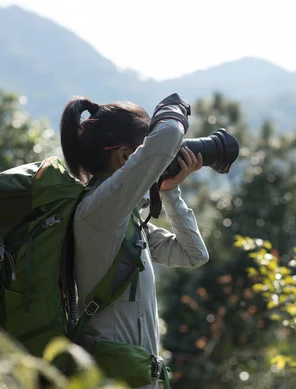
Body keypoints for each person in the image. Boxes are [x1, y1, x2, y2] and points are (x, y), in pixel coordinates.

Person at [59, 94, 209, 388]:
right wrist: (174, 107)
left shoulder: (121, 220)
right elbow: (167, 135)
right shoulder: (98, 211)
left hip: (135, 377)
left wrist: (167, 190)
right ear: (127, 157)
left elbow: (193, 254)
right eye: (145, 156)